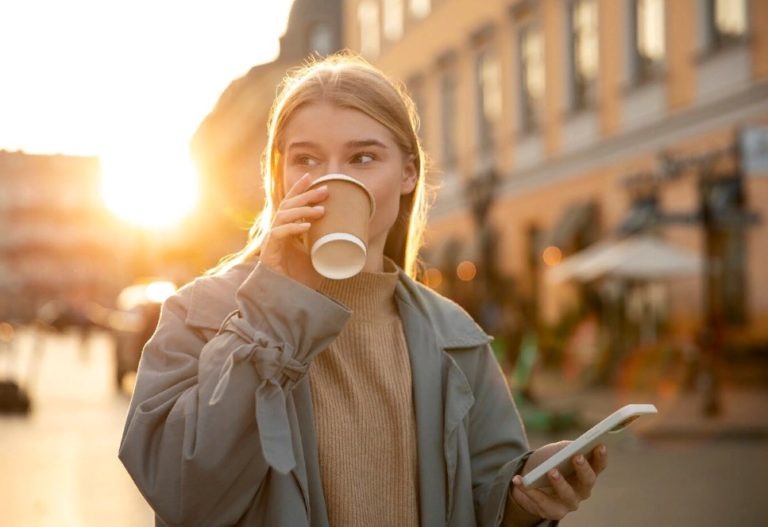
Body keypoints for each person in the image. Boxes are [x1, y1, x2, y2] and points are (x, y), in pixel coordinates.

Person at [119, 52, 607, 527]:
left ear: (407, 174)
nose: (332, 182)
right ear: (279, 176)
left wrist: (525, 497)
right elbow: (184, 495)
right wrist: (274, 306)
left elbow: (480, 499)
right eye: (306, 159)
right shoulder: (199, 314)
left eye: (363, 157)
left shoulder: (453, 335)